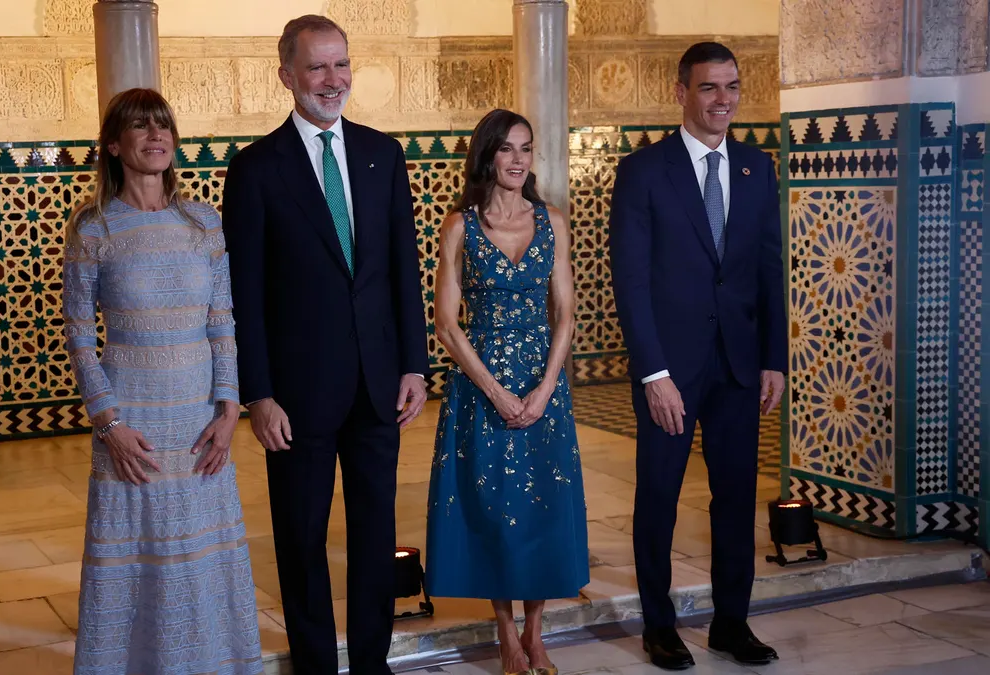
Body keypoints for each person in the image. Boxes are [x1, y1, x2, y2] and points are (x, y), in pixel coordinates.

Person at [220, 14, 430, 675]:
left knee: (374, 536)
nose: (332, 79)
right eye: (317, 67)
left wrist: (415, 365)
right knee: (301, 537)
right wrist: (258, 392)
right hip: (297, 392)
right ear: (286, 75)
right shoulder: (255, 170)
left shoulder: (382, 154)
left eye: (341, 64)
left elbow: (403, 268)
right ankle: (315, 664)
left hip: (377, 383)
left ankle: (372, 662)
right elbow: (244, 293)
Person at [62, 88, 262, 674]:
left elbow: (223, 320)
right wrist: (110, 425)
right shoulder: (93, 227)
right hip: (133, 423)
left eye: (163, 126)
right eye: (140, 127)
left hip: (200, 421)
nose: (156, 136)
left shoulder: (202, 222)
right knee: (139, 556)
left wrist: (229, 410)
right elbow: (77, 334)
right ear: (114, 145)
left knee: (201, 555)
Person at [608, 42, 787, 670]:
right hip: (670, 370)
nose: (723, 100)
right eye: (710, 88)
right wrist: (653, 372)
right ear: (681, 91)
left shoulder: (756, 168)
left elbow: (770, 271)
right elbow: (629, 279)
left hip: (739, 365)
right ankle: (660, 627)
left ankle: (731, 623)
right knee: (658, 493)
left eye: (732, 86)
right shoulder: (644, 171)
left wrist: (774, 359)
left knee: (735, 496)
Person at [426, 109, 588, 675]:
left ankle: (536, 635)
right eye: (508, 149)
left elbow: (566, 313)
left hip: (543, 386)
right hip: (481, 385)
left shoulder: (554, 222)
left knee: (542, 507)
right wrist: (495, 391)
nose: (519, 160)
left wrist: (546, 387)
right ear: (487, 155)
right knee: (492, 508)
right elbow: (447, 324)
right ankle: (504, 632)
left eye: (527, 149)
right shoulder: (459, 225)